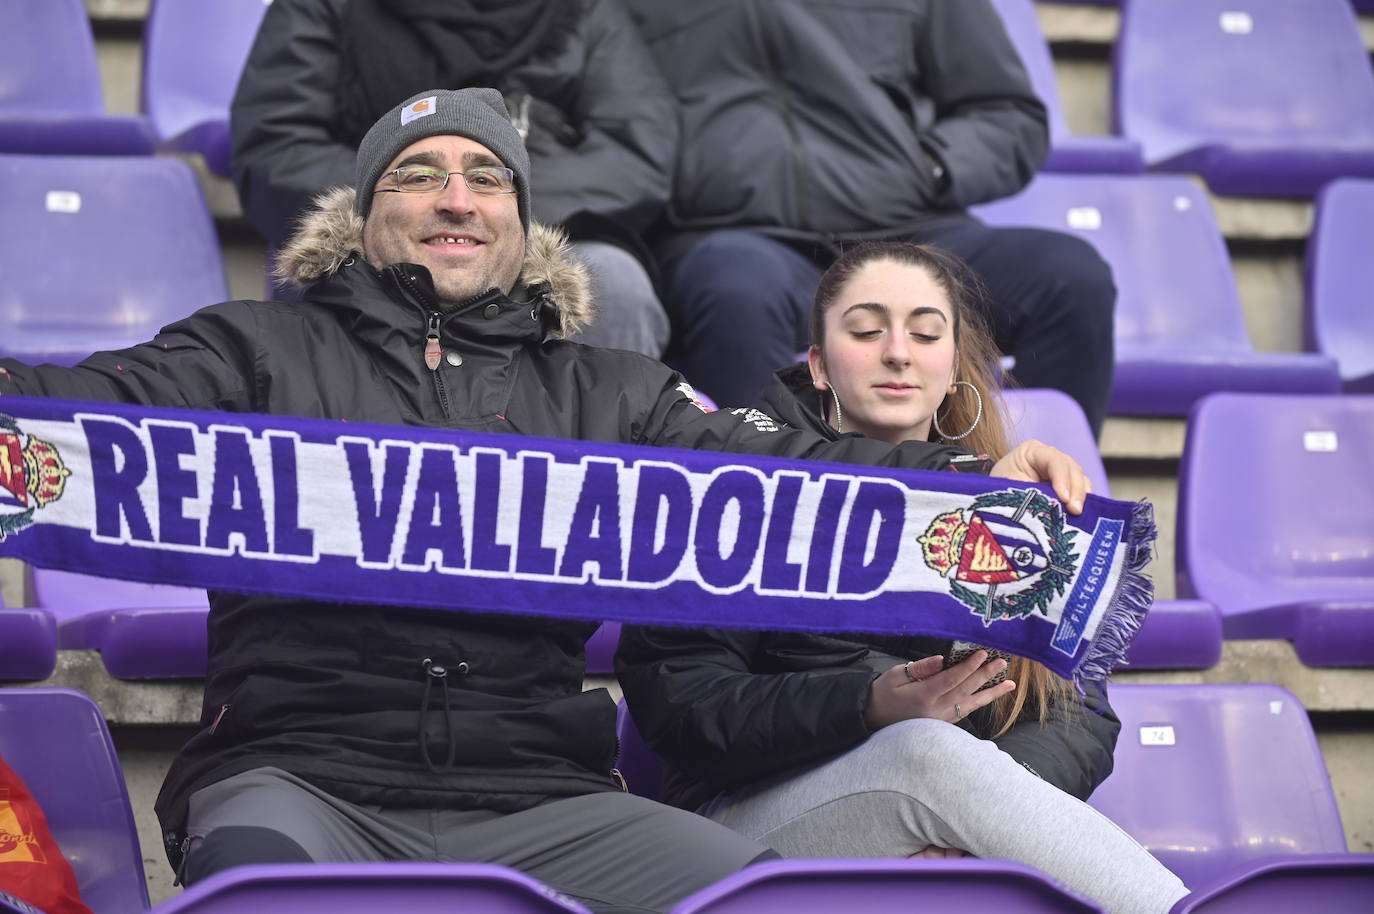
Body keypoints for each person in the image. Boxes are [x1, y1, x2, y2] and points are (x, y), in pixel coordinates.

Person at [0, 90, 1095, 913]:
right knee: (261, 889)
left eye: (486, 177)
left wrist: (968, 482)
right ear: (362, 215)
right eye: (417, 175)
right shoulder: (250, 349)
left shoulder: (609, 389)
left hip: (541, 791)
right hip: (297, 774)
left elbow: (789, 474)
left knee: (766, 898)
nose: (456, 198)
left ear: (521, 224)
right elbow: (89, 412)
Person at [616, 243, 1189, 914]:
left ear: (952, 370)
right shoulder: (737, 486)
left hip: (949, 809)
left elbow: (1075, 708)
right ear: (820, 365)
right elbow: (685, 708)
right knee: (924, 751)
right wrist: (868, 704)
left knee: (942, 769)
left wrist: (977, 824)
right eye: (866, 330)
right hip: (747, 832)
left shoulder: (1001, 502)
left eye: (925, 333)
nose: (898, 352)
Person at [624, 0, 1117, 434]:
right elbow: (603, 120)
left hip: (908, 224)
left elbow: (1009, 116)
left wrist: (931, 168)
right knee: (733, 291)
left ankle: (1039, 508)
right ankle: (760, 508)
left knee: (1069, 278)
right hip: (737, 236)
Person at [231, 0, 673, 357]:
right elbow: (278, 147)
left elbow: (634, 155)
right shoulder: (328, 7)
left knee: (614, 283)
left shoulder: (584, 10)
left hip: (543, 229)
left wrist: (495, 206)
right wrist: (413, 196)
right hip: (373, 230)